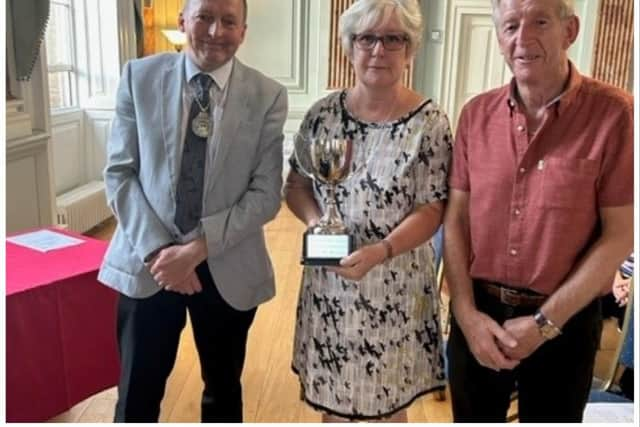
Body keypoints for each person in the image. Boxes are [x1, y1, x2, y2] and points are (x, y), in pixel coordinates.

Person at [443, 0, 633, 422]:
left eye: (540, 21)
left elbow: (621, 232)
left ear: (570, 31)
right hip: (480, 316)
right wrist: (465, 313)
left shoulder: (614, 113)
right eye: (510, 25)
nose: (522, 38)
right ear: (499, 38)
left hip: (566, 321)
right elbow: (456, 219)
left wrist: (546, 323)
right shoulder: (475, 115)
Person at [98, 0, 287, 422]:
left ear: (244, 31)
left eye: (229, 21)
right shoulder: (138, 77)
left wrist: (196, 250)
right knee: (136, 397)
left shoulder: (267, 96)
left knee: (223, 394)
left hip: (227, 262)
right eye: (204, 17)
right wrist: (160, 252)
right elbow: (119, 174)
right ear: (183, 21)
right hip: (148, 264)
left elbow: (265, 193)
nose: (216, 31)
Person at [285, 0, 452, 422]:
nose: (379, 50)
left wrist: (381, 250)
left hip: (394, 286)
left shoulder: (429, 122)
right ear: (350, 47)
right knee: (334, 406)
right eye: (367, 38)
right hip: (332, 286)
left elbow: (433, 208)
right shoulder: (323, 115)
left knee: (389, 407)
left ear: (409, 49)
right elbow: (297, 185)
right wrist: (318, 225)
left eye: (393, 38)